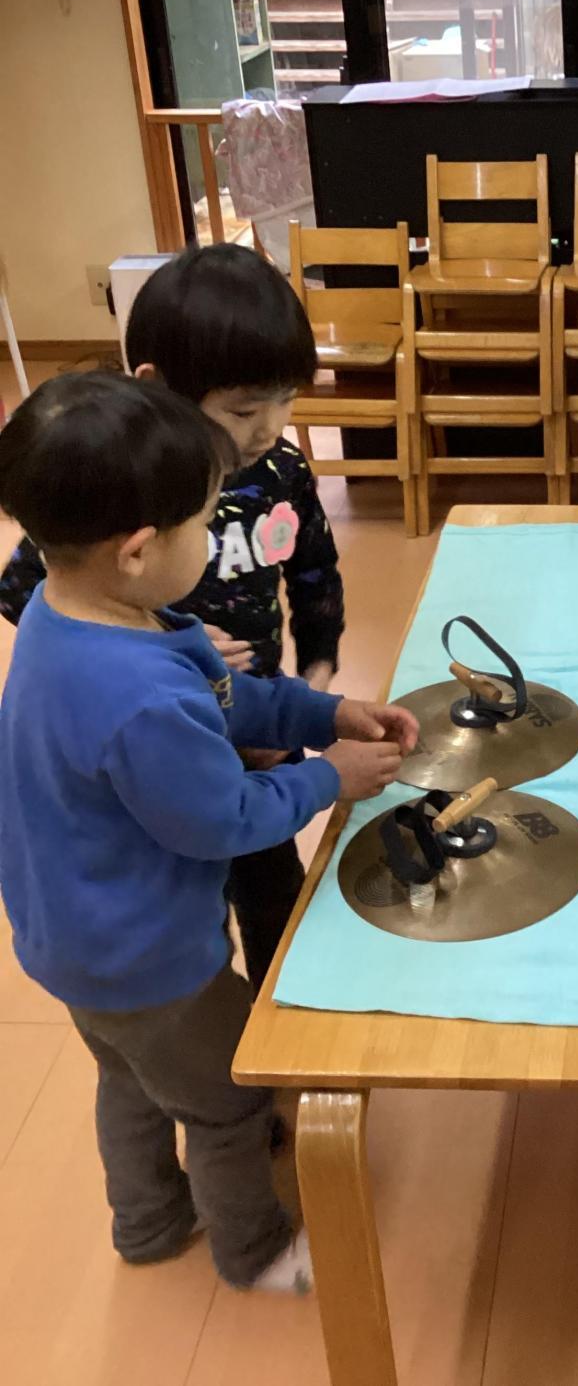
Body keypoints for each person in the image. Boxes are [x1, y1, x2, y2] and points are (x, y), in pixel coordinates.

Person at [0, 373, 415, 1288]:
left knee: (130, 1079)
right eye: (203, 524)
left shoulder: (74, 614)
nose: (214, 540)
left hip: (72, 939)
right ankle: (253, 1250)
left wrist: (325, 715)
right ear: (139, 550)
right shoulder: (138, 698)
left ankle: (148, 1224)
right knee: (228, 1102)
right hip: (148, 959)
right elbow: (222, 819)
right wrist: (329, 778)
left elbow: (226, 696)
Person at [0, 244, 341, 995]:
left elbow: (315, 574)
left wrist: (318, 683)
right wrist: (148, 640)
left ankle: (269, 1015)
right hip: (160, 743)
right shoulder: (118, 492)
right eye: (244, 410)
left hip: (256, 726)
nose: (269, 428)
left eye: (286, 401)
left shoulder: (282, 473)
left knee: (272, 893)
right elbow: (31, 586)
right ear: (157, 386)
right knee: (185, 885)